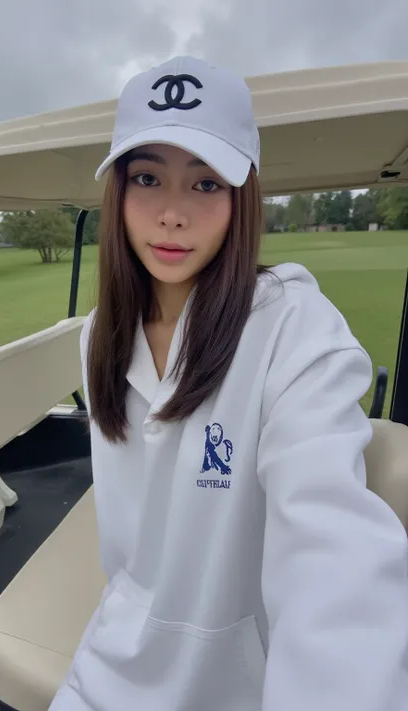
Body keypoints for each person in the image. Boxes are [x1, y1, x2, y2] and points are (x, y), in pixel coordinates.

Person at [49, 56, 408, 711]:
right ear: (118, 192)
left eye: (206, 183)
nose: (172, 214)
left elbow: (334, 556)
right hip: (108, 660)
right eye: (148, 177)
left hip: (235, 683)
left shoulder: (293, 329)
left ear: (242, 197)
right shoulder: (99, 333)